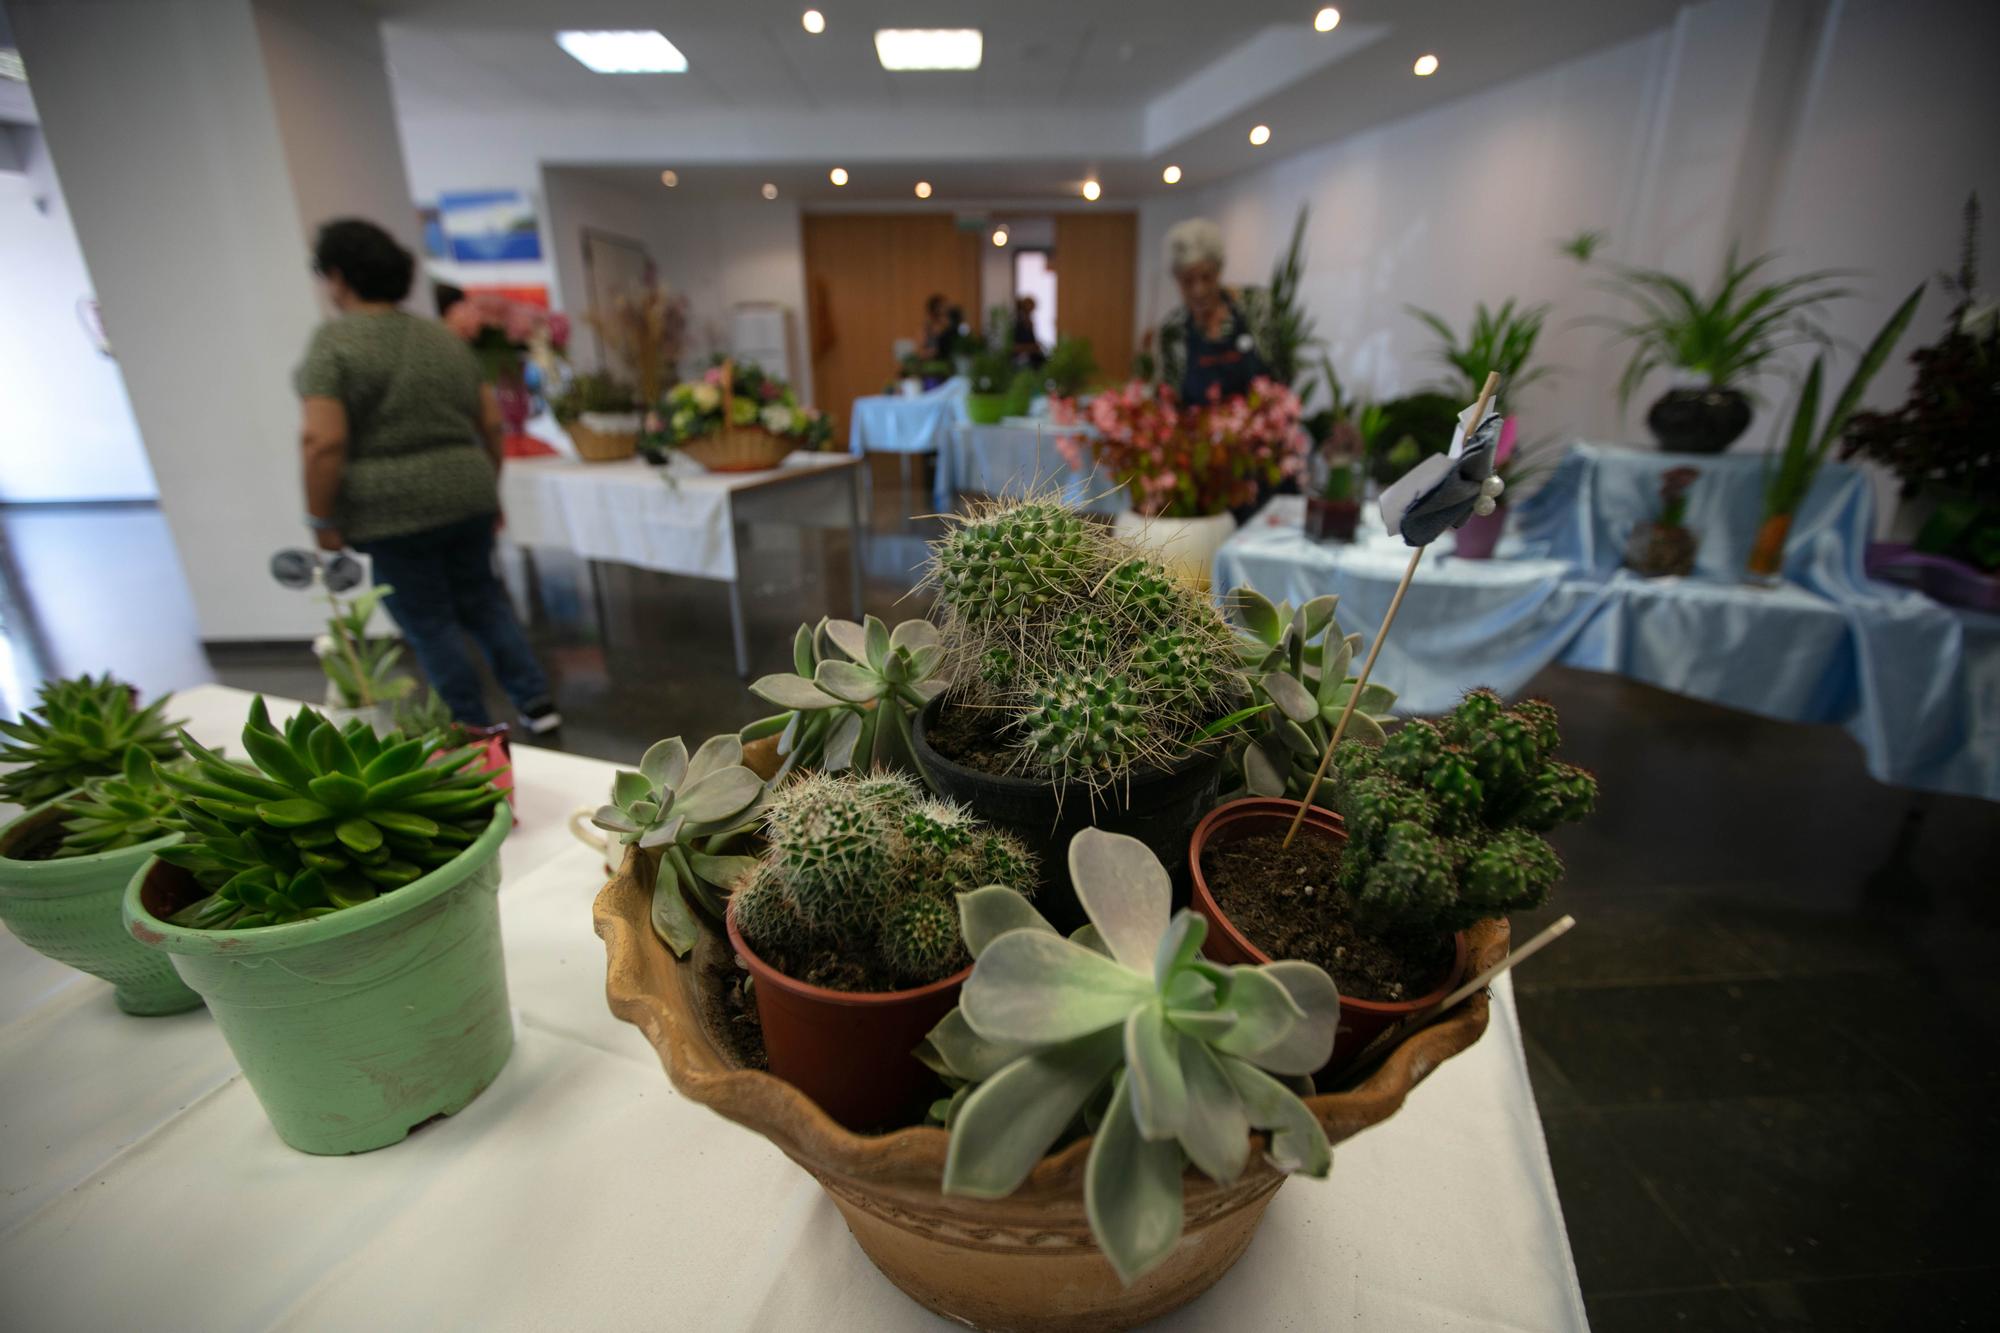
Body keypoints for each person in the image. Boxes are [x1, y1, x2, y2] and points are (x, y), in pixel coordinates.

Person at [296, 218, 560, 734]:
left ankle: (467, 726)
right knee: (485, 601)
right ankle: (537, 703)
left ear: (339, 277)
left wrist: (320, 516)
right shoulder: (442, 341)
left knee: (428, 621)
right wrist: (487, 486)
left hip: (391, 508)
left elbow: (322, 441)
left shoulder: (334, 345)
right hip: (467, 491)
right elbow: (488, 422)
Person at [1158, 218, 1268, 403]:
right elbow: (1166, 398)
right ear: (1177, 280)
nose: (1198, 290)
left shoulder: (1252, 310)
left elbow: (1279, 379)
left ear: (1219, 272)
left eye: (1206, 277)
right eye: (1188, 281)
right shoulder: (1173, 331)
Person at [1011, 295, 1045, 368]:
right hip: (1021, 359)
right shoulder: (1018, 324)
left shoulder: (1029, 324)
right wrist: (1031, 347)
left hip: (1031, 357)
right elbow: (1015, 347)